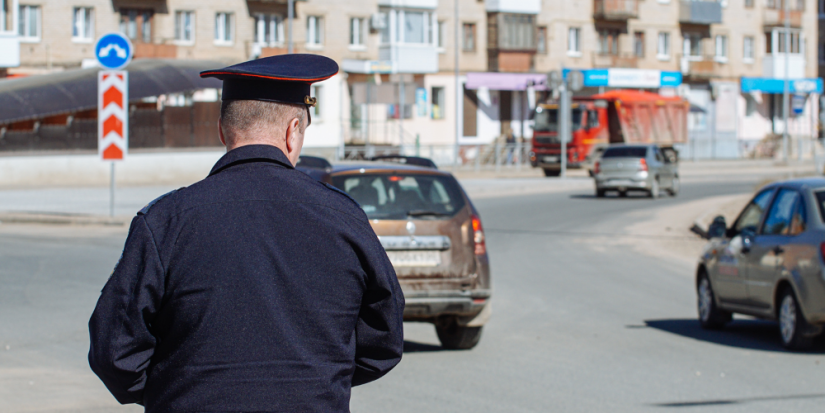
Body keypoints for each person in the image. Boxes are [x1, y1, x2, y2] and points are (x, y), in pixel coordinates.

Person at [88, 54, 405, 413]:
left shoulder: (165, 221)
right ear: (293, 131)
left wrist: (175, 391)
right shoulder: (344, 218)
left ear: (223, 130)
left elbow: (114, 351)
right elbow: (385, 340)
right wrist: (315, 384)